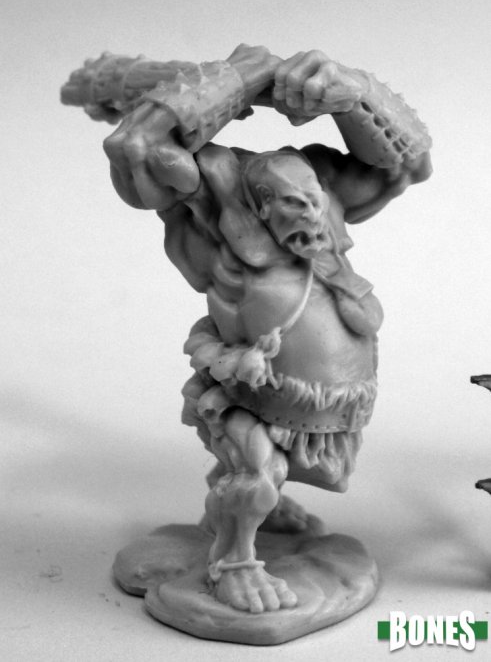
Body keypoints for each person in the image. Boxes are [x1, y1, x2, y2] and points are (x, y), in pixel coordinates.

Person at [102, 45, 432, 613]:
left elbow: (410, 162)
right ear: (257, 209)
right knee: (257, 471)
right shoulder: (222, 226)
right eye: (290, 206)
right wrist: (239, 76)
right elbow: (139, 147)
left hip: (329, 404)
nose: (309, 217)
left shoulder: (327, 204)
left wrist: (354, 94)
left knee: (269, 474)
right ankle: (234, 564)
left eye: (312, 204)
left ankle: (250, 511)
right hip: (254, 396)